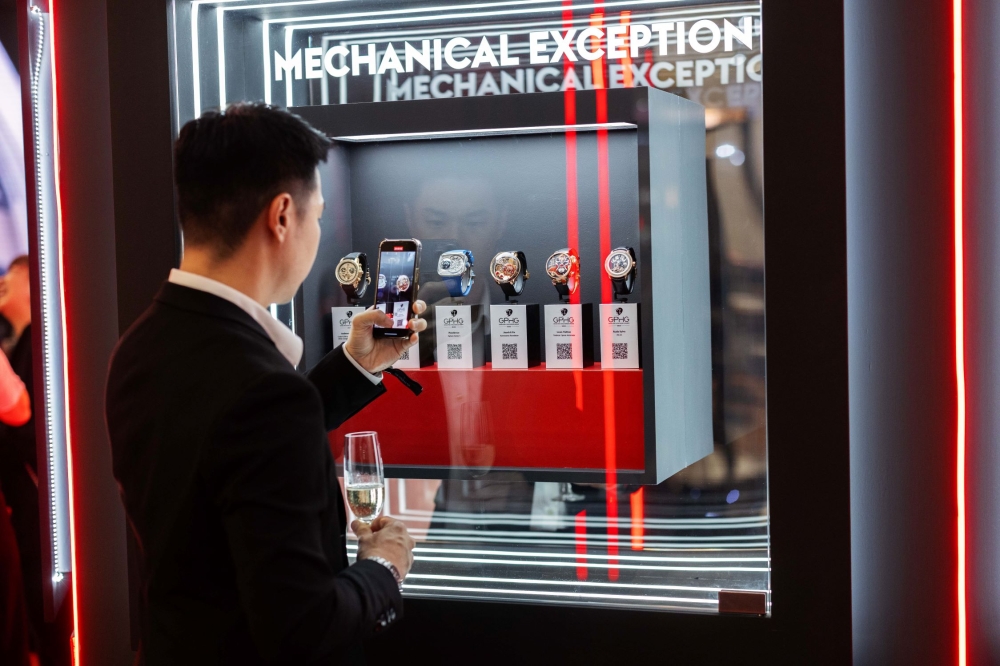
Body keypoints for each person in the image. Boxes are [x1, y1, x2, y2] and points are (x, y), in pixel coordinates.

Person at [105, 103, 421, 665]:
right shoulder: (262, 392)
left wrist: (354, 366)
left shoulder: (142, 345)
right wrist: (384, 566)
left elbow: (228, 446)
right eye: (316, 215)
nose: (316, 232)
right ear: (281, 215)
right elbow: (307, 626)